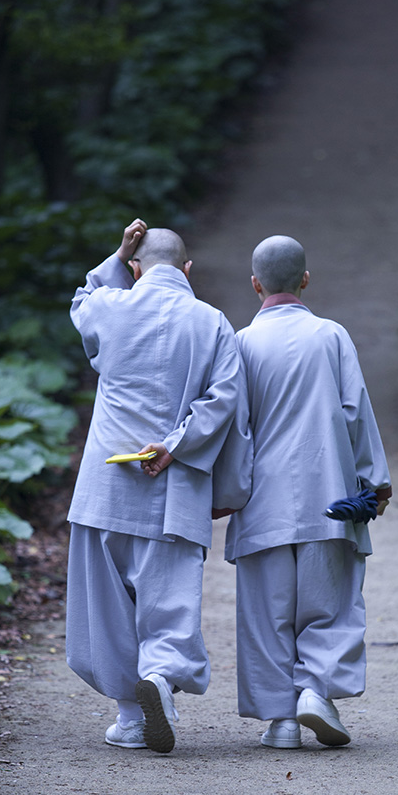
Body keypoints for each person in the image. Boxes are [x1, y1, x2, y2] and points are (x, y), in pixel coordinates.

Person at [66, 218, 247, 754]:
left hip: (104, 485)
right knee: (169, 601)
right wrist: (177, 444)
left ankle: (129, 716)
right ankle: (162, 678)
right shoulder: (214, 323)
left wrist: (117, 257)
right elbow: (224, 401)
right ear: (188, 269)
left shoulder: (112, 306)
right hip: (174, 484)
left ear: (136, 267)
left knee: (107, 605)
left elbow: (83, 299)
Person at [225, 235, 391, 749]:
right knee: (330, 606)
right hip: (331, 497)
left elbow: (235, 428)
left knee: (266, 615)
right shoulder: (331, 335)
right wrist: (375, 480)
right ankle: (316, 692)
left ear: (254, 284)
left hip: (261, 505)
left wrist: (225, 494)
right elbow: (355, 412)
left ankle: (280, 723)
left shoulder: (241, 343)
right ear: (306, 279)